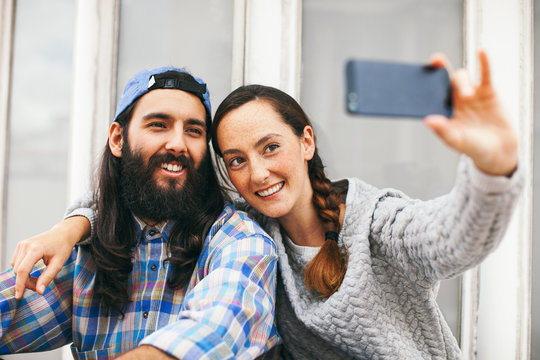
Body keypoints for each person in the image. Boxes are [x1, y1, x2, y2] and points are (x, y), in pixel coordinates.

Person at [12, 51, 523, 359]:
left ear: (306, 141)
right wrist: (75, 224)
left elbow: (451, 239)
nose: (256, 174)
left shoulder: (372, 223)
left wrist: (492, 167)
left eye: (270, 148)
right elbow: (134, 191)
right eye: (234, 159)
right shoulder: (250, 228)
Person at [0, 66, 280, 359]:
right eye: (159, 124)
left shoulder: (239, 241)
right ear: (118, 139)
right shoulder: (84, 257)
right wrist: (72, 226)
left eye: (193, 131)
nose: (177, 144)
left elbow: (218, 326)